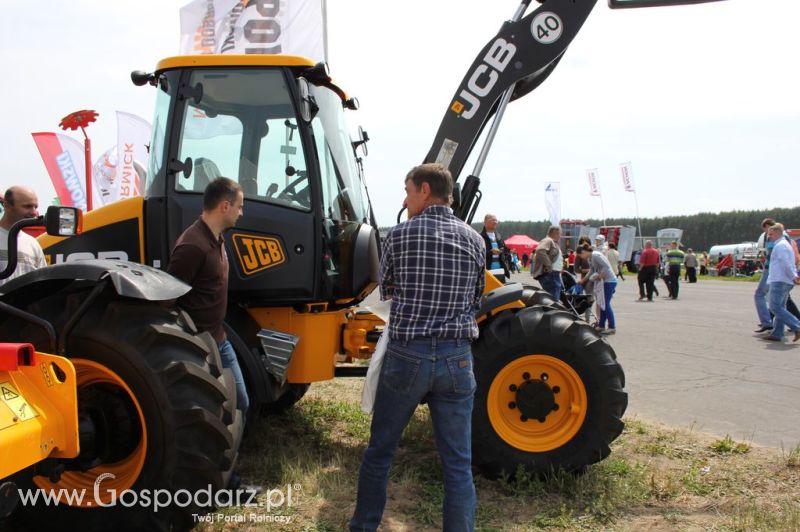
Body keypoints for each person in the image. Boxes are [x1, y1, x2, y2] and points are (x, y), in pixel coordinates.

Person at [350, 163, 484, 532]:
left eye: (408, 191)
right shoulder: (475, 239)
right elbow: (476, 298)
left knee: (380, 451)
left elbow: (388, 291)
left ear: (425, 190)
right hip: (457, 359)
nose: (405, 199)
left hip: (408, 355)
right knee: (457, 463)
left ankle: (363, 526)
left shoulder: (399, 235)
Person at [167, 177, 249, 415]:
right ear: (225, 206)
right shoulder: (193, 246)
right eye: (239, 206)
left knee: (241, 402)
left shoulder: (217, 238)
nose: (241, 213)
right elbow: (170, 298)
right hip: (199, 346)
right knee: (210, 408)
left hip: (220, 340)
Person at [761, 223, 800, 342]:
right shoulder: (783, 244)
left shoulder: (781, 246)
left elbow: (785, 263)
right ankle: (777, 333)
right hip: (784, 279)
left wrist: (793, 276)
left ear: (778, 233)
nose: (769, 237)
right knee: (781, 307)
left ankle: (797, 326)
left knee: (774, 307)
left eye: (771, 234)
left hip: (780, 280)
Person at [0, 186, 46, 286]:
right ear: (7, 205)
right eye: (27, 206)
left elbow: (42, 281)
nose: (34, 212)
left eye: (35, 207)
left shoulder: (33, 244)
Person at [578, 243, 617, 334]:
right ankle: (601, 325)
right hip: (603, 282)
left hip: (609, 281)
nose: (581, 257)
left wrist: (601, 274)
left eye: (581, 255)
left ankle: (612, 327)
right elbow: (591, 270)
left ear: (584, 251)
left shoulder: (596, 255)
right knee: (601, 303)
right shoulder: (590, 258)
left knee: (606, 304)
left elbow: (606, 266)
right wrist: (583, 280)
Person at [754, 218, 776, 332]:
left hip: (770, 270)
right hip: (776, 271)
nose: (766, 232)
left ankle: (767, 322)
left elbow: (771, 255)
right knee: (780, 299)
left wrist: (764, 259)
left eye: (765, 229)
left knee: (759, 294)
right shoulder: (783, 236)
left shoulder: (772, 237)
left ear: (768, 226)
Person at [532, 225, 563, 300]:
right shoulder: (548, 240)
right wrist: (549, 265)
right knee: (553, 300)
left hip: (552, 274)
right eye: (559, 234)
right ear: (555, 233)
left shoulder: (551, 241)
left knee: (552, 298)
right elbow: (540, 250)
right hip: (550, 274)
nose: (560, 236)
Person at [480, 213, 509, 281]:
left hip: (500, 270)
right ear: (485, 222)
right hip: (486, 271)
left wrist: (501, 251)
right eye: (492, 220)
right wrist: (491, 252)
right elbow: (478, 253)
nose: (495, 222)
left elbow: (506, 251)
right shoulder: (479, 236)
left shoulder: (499, 236)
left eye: (496, 220)